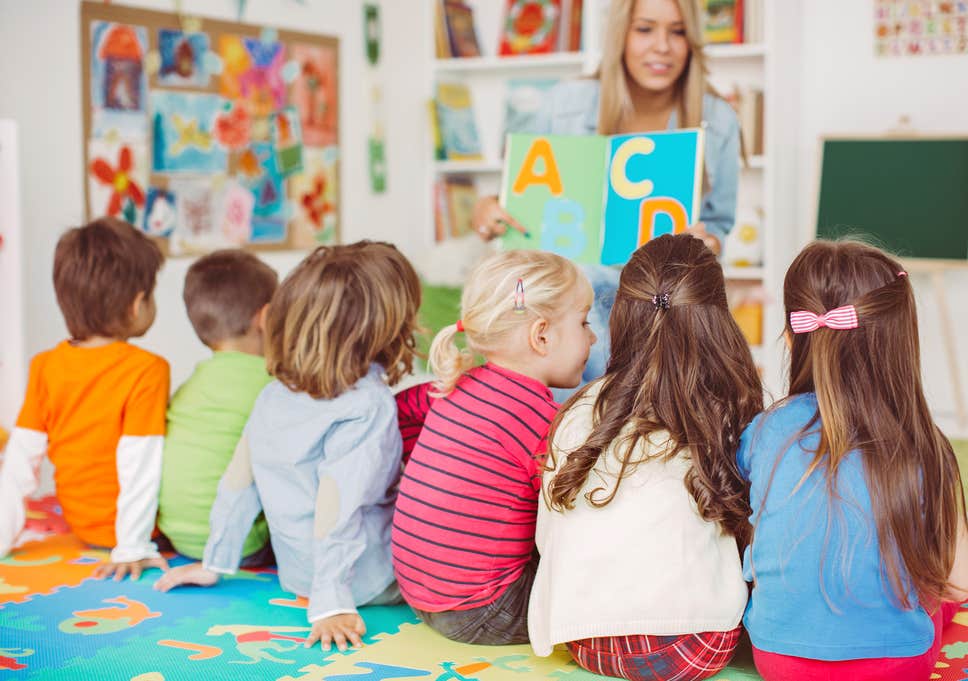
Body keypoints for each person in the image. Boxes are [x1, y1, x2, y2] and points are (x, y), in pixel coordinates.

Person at [155, 241, 422, 653]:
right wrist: (330, 601)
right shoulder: (368, 405)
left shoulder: (274, 394)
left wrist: (216, 560)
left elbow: (238, 479)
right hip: (362, 580)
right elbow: (338, 505)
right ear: (385, 329)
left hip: (297, 572)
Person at [475, 0, 741, 391]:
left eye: (678, 31)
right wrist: (489, 212)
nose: (662, 46)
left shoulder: (718, 118)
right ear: (621, 34)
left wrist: (708, 242)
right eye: (645, 29)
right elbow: (515, 197)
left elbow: (718, 224)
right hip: (563, 322)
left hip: (658, 317)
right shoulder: (565, 104)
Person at [529, 234, 761, 680]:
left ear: (622, 315)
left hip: (586, 639)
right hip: (697, 644)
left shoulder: (580, 407)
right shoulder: (726, 407)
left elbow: (548, 536)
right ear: (717, 318)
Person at [739, 240, 968, 680]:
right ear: (902, 343)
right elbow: (957, 581)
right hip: (897, 666)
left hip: (779, 662)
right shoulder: (925, 444)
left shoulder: (766, 430)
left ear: (791, 336)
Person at [392, 250, 596, 645]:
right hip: (484, 611)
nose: (593, 336)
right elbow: (576, 512)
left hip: (418, 593)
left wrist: (440, 468)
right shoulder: (540, 420)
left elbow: (397, 413)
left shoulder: (449, 386)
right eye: (584, 323)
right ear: (541, 336)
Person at [0, 217, 169, 581]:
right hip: (136, 531)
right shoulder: (147, 369)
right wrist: (131, 545)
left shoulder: (45, 366)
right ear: (137, 305)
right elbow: (140, 463)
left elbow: (19, 462)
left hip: (81, 524)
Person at [156, 250, 278, 564]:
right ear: (265, 318)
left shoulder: (191, 385)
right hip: (243, 545)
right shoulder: (273, 384)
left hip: (178, 535)